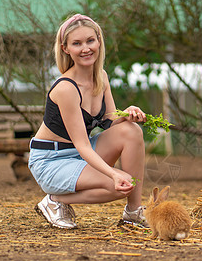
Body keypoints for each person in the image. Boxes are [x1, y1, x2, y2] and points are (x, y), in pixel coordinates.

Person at [28, 14, 148, 229]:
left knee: (132, 131)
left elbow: (109, 121)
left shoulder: (101, 76)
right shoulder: (66, 88)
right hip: (51, 160)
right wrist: (112, 173)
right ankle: (55, 201)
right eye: (77, 43)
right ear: (66, 48)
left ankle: (133, 212)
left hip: (78, 153)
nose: (86, 48)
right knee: (121, 184)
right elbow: (82, 145)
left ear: (99, 41)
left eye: (90, 41)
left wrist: (127, 114)